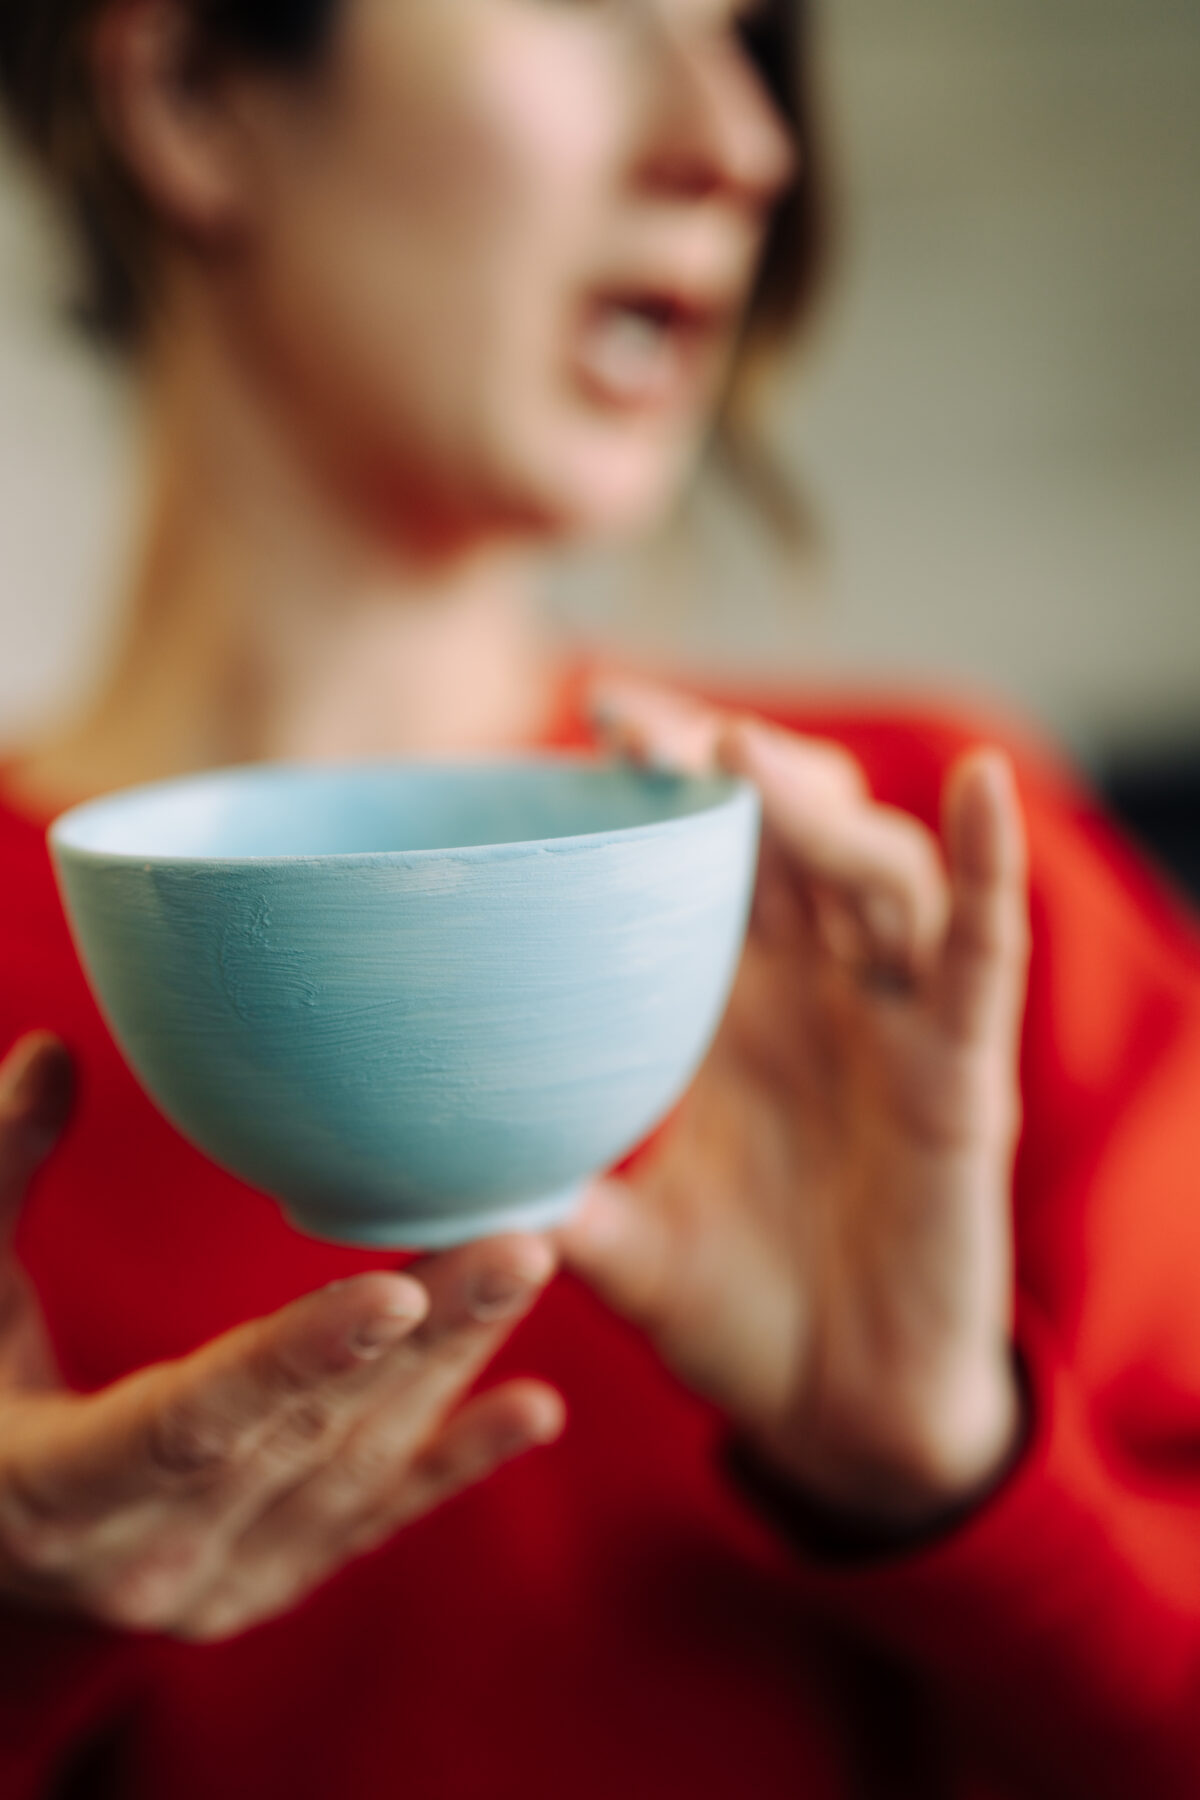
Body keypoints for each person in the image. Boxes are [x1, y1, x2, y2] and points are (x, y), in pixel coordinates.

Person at [0, 1, 1199, 1795]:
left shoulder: (920, 896)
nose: (746, 144)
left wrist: (959, 1479)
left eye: (752, 34)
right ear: (186, 87)